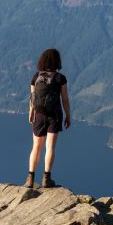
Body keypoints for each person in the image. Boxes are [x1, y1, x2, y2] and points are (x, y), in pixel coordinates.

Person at [24, 48, 71, 188]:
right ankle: (46, 179)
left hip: (39, 115)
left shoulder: (35, 77)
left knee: (36, 147)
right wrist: (68, 115)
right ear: (57, 61)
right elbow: (65, 99)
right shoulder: (60, 78)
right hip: (54, 115)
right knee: (50, 147)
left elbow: (32, 98)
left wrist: (31, 113)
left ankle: (30, 179)